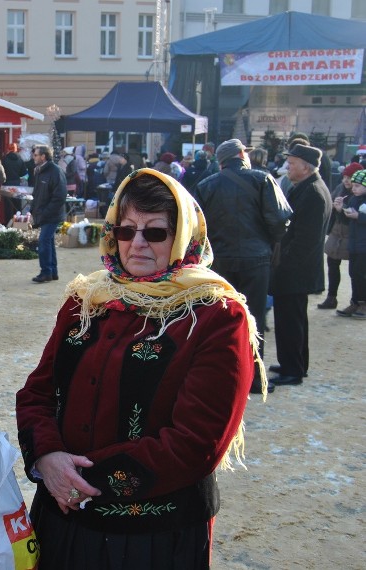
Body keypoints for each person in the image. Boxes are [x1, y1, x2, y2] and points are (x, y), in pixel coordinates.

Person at [16, 168, 261, 569]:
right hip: (63, 517)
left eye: (156, 232)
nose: (138, 244)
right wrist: (47, 456)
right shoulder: (87, 299)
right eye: (126, 231)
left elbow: (195, 442)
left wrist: (80, 482)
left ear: (182, 236)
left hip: (153, 534)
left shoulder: (215, 314)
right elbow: (38, 392)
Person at [193, 139, 292, 394]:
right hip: (256, 259)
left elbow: (196, 228)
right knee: (255, 318)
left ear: (221, 161)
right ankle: (255, 378)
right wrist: (267, 241)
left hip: (220, 260)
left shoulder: (206, 185)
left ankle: (222, 376)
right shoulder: (262, 179)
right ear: (241, 155)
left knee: (221, 317)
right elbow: (280, 220)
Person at [268, 144, 333, 386]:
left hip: (295, 271)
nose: (288, 167)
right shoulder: (309, 187)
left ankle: (292, 369)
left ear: (305, 167)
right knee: (293, 320)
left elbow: (304, 241)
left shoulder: (313, 192)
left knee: (290, 321)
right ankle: (294, 363)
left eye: (292, 163)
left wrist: (282, 265)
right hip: (296, 270)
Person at [318, 162, 363, 310]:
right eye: (345, 176)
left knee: (356, 270)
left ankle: (356, 301)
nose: (346, 180)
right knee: (332, 264)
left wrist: (343, 211)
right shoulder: (340, 189)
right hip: (337, 232)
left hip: (352, 234)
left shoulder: (360, 195)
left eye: (349, 177)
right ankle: (332, 297)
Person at [30, 145, 67, 283]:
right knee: (48, 241)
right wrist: (33, 211)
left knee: (44, 241)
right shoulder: (40, 171)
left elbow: (60, 196)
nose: (34, 157)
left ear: (43, 156)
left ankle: (46, 272)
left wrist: (45, 212)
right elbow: (37, 194)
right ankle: (52, 272)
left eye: (36, 155)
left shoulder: (55, 171)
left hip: (52, 215)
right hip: (45, 214)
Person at [337, 168, 366, 318]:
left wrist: (359, 217)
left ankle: (363, 304)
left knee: (362, 275)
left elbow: (359, 218)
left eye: (357, 186)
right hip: (354, 244)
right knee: (354, 273)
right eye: (353, 185)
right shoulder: (354, 199)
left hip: (364, 246)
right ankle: (355, 302)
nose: (353, 188)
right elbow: (348, 219)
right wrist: (341, 209)